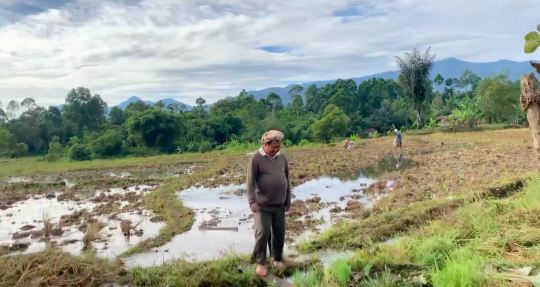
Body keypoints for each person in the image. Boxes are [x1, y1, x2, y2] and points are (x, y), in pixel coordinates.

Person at [247, 130, 291, 277]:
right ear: (265, 144)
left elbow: (287, 179)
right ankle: (260, 264)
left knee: (279, 234)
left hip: (279, 204)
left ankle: (277, 259)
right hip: (262, 205)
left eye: (278, 148)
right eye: (273, 148)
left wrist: (288, 200)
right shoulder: (256, 158)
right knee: (263, 233)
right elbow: (250, 182)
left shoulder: (281, 158)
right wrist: (252, 201)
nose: (276, 150)